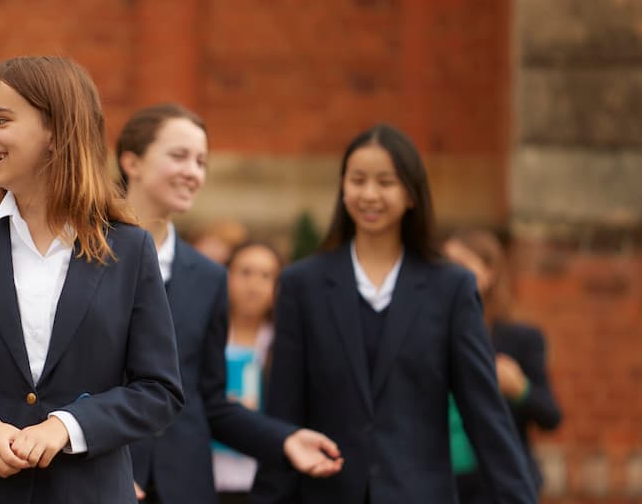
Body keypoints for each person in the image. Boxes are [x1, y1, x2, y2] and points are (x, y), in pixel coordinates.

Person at [0, 56, 185, 504]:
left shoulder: (129, 248)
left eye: (0, 120)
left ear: (55, 132)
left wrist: (66, 426)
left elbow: (158, 392)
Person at [251, 124, 536, 504]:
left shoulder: (450, 288)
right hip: (325, 492)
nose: (369, 194)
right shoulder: (303, 285)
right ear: (343, 187)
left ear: (411, 194)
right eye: (358, 180)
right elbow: (284, 410)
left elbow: (483, 411)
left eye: (386, 182)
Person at [115, 104, 341, 504]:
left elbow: (209, 402)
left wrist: (283, 440)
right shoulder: (81, 257)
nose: (193, 172)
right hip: (100, 482)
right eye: (179, 156)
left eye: (201, 161)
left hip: (187, 488)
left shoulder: (210, 277)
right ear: (131, 160)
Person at [443, 230, 562, 503]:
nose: (450, 277)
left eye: (461, 266)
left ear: (489, 273)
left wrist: (519, 388)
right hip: (440, 483)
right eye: (444, 266)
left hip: (495, 485)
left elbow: (551, 416)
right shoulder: (428, 336)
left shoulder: (519, 338)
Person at [212, 240, 283, 503]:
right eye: (245, 272)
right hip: (208, 474)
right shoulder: (207, 334)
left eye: (266, 276)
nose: (254, 285)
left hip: (261, 476)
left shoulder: (283, 343)